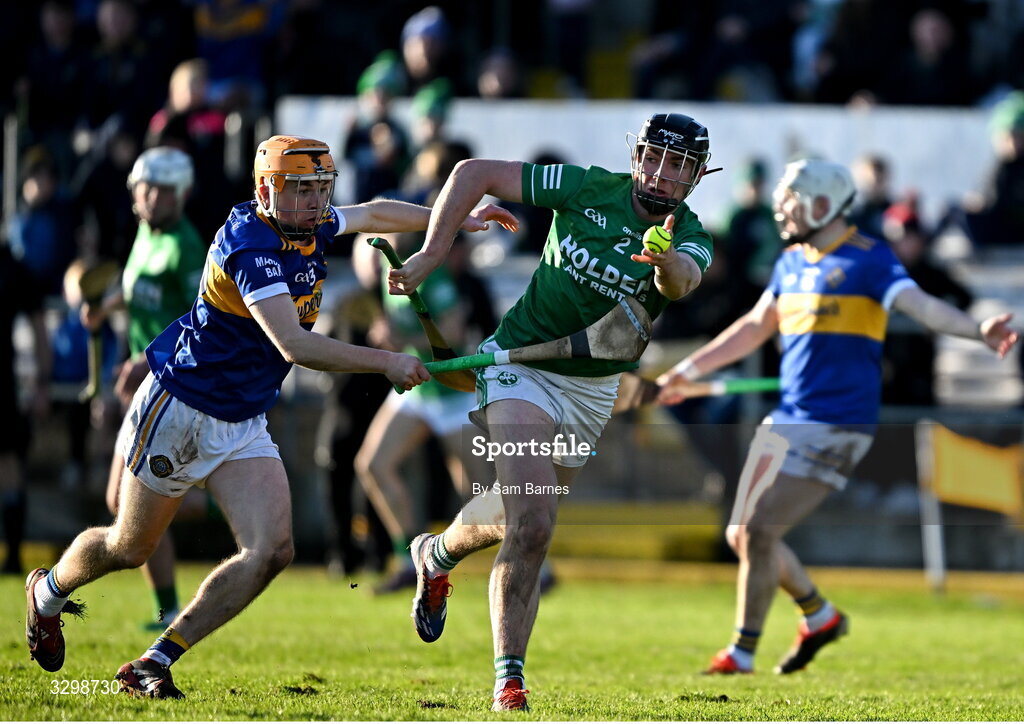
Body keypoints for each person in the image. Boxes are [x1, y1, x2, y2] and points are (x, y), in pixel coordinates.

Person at [23, 135, 517, 698]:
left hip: (241, 420)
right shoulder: (249, 244)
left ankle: (153, 663)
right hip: (182, 408)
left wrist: (452, 220)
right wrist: (387, 362)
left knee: (273, 549)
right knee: (128, 547)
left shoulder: (309, 221)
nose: (314, 202)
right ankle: (47, 594)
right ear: (265, 189)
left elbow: (376, 211)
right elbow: (295, 346)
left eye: (320, 189)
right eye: (300, 189)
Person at [388, 112, 716, 711]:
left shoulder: (691, 230)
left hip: (591, 390)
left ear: (695, 178)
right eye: (654, 158)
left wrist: (663, 261)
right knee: (535, 524)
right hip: (521, 366)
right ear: (637, 155)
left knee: (516, 514)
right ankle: (508, 682)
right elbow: (473, 172)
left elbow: (682, 281)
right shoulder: (587, 186)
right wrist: (433, 254)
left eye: (679, 166)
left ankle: (434, 555)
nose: (661, 174)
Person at [656, 159, 1019, 676]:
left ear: (822, 206)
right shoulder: (790, 262)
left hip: (839, 423)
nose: (781, 210)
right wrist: (687, 370)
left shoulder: (870, 259)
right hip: (787, 418)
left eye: (791, 202)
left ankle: (741, 652)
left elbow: (921, 307)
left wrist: (976, 330)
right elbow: (753, 328)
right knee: (742, 535)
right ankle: (819, 615)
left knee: (759, 530)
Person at [81, 147, 209, 629]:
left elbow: (200, 319)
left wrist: (143, 358)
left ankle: (171, 604)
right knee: (121, 503)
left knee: (127, 504)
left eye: (164, 190)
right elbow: (139, 292)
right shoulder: (143, 236)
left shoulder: (186, 246)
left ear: (183, 193)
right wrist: (108, 306)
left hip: (172, 383)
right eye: (146, 188)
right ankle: (167, 606)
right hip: (145, 382)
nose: (153, 198)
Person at [1, 240, 51, 575]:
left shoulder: (12, 267)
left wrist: (42, 383)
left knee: (8, 465)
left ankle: (14, 556)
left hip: (2, 383)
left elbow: (38, 328)